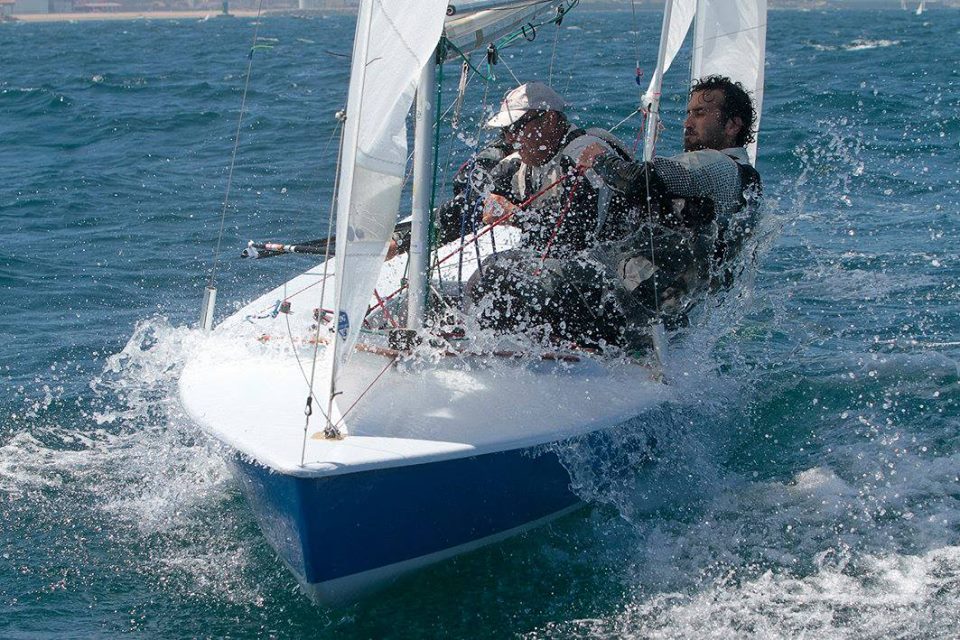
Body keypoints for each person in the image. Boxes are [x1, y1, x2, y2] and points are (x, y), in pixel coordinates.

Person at [580, 74, 763, 342]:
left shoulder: (716, 165)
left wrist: (599, 159)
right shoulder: (743, 177)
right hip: (676, 312)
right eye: (688, 114)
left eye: (700, 113)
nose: (687, 123)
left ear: (733, 125)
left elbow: (639, 180)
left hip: (652, 301)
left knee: (527, 276)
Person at [462, 82, 637, 347]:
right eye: (505, 131)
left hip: (611, 292)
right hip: (570, 282)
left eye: (516, 128)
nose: (510, 139)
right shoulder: (524, 164)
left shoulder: (582, 154)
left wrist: (516, 216)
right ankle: (484, 340)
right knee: (493, 275)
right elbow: (463, 210)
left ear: (550, 120)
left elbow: (579, 233)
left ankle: (493, 345)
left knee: (497, 271)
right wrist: (404, 240)